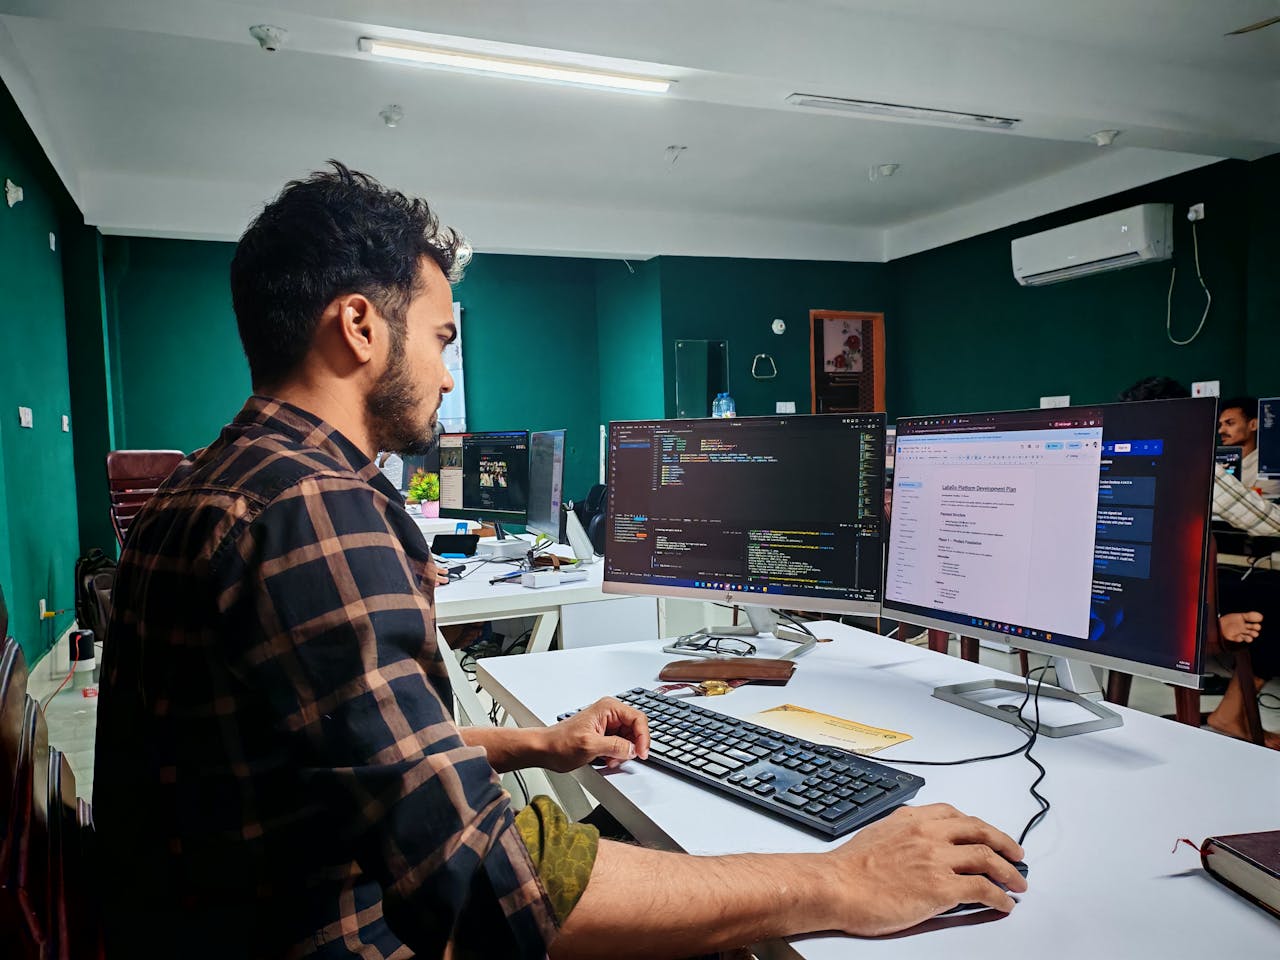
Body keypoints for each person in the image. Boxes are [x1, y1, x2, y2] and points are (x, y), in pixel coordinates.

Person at [93, 163, 1027, 959]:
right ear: (360, 327)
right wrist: (837, 879)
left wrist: (536, 745)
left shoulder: (199, 489)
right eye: (442, 338)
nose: (448, 374)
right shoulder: (317, 510)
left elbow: (339, 758)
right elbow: (487, 881)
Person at [1118, 377, 1278, 748]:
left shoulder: (1112, 459)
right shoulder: (1192, 460)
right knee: (1273, 597)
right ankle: (1231, 713)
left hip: (1125, 598)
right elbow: (1264, 522)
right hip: (1177, 602)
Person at [1218, 396, 1280, 499]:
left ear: (1253, 425)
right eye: (1221, 425)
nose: (1221, 431)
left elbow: (1263, 505)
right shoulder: (1217, 464)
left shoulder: (1269, 466)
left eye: (1230, 423)